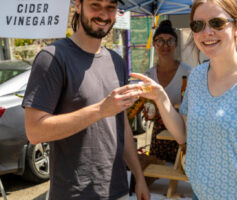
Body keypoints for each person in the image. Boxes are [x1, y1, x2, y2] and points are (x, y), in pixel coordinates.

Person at [131, 0, 237, 199]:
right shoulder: (196, 77)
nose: (207, 32)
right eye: (198, 25)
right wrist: (161, 97)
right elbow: (183, 135)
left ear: (236, 26)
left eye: (217, 23)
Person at [22, 0, 150, 199]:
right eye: (95, 5)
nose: (104, 15)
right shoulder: (52, 57)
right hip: (73, 193)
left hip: (118, 189)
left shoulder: (116, 62)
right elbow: (35, 131)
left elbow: (121, 125)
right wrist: (100, 110)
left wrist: (138, 176)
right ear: (78, 5)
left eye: (111, 7)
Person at [144, 19, 192, 162]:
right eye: (160, 41)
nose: (165, 46)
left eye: (169, 41)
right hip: (158, 134)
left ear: (176, 44)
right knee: (158, 173)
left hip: (182, 132)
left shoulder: (188, 72)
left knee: (179, 174)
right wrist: (147, 111)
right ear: (154, 44)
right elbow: (148, 108)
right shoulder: (149, 75)